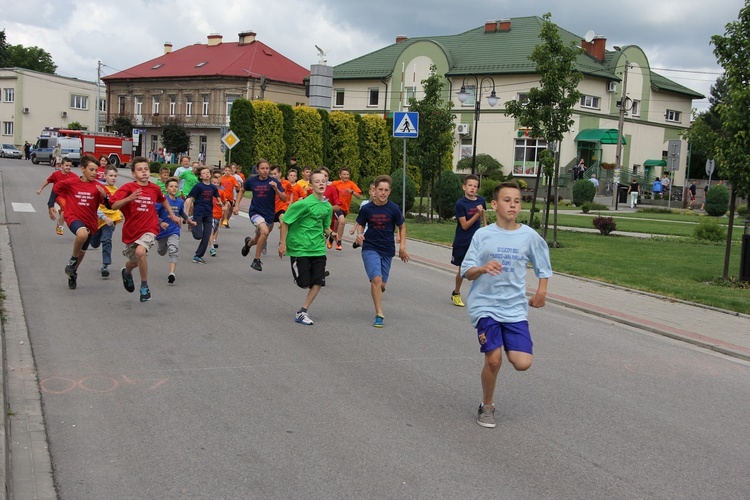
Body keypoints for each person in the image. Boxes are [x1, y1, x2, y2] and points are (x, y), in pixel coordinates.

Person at [460, 180, 552, 428]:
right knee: (494, 360)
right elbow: (466, 271)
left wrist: (541, 291)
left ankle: (510, 346)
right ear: (494, 204)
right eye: (507, 200)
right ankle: (487, 406)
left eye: (517, 200)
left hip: (514, 308)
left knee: (523, 363)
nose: (513, 204)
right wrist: (482, 268)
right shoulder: (483, 235)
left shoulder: (528, 236)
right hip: (485, 305)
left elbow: (543, 265)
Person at [109, 156, 181, 302]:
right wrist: (129, 198)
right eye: (140, 170)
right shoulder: (128, 188)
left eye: (146, 169)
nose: (144, 172)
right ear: (134, 174)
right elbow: (114, 205)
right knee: (134, 261)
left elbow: (163, 199)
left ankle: (144, 286)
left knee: (141, 251)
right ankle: (127, 272)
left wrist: (172, 215)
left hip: (150, 228)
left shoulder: (154, 188)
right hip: (132, 230)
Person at [278, 169, 333, 326]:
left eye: (323, 181)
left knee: (318, 282)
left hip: (318, 249)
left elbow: (325, 226)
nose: (321, 184)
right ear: (310, 185)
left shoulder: (327, 207)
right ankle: (307, 277)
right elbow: (286, 221)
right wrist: (283, 243)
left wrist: (332, 233)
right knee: (304, 283)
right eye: (317, 181)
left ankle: (302, 311)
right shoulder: (303, 204)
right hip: (299, 248)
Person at [354, 175, 409, 328]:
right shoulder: (366, 209)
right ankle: (379, 314)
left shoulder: (394, 209)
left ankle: (377, 288)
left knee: (382, 284)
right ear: (374, 191)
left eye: (386, 190)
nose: (383, 193)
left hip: (387, 249)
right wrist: (360, 234)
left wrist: (402, 247)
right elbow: (360, 223)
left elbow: (402, 226)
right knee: (376, 280)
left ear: (389, 191)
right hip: (370, 247)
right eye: (380, 190)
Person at [52, 155, 110, 290]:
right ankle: (72, 259)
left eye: (96, 170)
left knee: (82, 251)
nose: (95, 173)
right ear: (83, 169)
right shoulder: (71, 182)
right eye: (91, 170)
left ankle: (73, 272)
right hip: (73, 217)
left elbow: (109, 205)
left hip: (90, 221)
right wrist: (51, 204)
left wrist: (105, 197)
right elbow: (56, 190)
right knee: (82, 234)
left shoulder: (98, 186)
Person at [235, 159, 286, 272]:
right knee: (265, 232)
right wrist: (237, 205)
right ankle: (256, 260)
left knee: (258, 239)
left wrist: (276, 189)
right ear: (257, 169)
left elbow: (284, 198)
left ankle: (248, 244)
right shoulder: (252, 181)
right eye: (262, 168)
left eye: (267, 168)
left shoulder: (274, 182)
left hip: (269, 215)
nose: (265, 171)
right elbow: (242, 190)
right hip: (255, 213)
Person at [451, 174, 486, 307]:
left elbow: (483, 216)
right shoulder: (460, 204)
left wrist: (487, 231)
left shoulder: (481, 200)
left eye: (475, 186)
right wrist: (476, 213)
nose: (472, 188)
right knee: (463, 270)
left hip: (477, 241)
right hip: (463, 240)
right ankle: (456, 293)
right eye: (470, 185)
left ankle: (479, 295)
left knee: (479, 268)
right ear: (464, 187)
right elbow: (464, 225)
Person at [155, 177, 193, 284]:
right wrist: (161, 222)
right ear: (166, 188)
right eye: (171, 186)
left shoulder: (180, 201)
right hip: (162, 231)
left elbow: (181, 212)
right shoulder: (161, 201)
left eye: (176, 186)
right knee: (161, 251)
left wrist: (189, 220)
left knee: (173, 250)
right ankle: (164, 246)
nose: (174, 188)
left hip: (174, 230)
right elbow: (153, 214)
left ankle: (172, 273)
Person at [89, 165, 123, 278]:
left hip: (111, 220)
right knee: (94, 243)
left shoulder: (118, 191)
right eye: (111, 175)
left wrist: (121, 214)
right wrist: (104, 217)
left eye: (115, 176)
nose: (113, 178)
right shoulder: (100, 189)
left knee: (106, 240)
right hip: (98, 219)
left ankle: (105, 265)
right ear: (105, 176)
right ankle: (91, 237)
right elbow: (95, 207)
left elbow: (120, 205)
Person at [183, 166, 221, 264]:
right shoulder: (198, 186)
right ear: (200, 176)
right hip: (199, 212)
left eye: (208, 172)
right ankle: (192, 223)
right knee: (198, 236)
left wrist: (220, 202)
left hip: (208, 213)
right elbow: (191, 198)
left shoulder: (213, 187)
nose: (206, 174)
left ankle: (198, 256)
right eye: (204, 173)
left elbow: (217, 195)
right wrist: (187, 212)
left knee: (207, 235)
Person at [36, 157, 73, 235]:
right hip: (59, 196)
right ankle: (60, 226)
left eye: (70, 166)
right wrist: (40, 189)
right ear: (62, 165)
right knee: (64, 208)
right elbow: (48, 181)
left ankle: (61, 220)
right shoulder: (56, 174)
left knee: (66, 212)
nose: (68, 167)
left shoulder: (73, 176)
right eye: (66, 165)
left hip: (69, 197)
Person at [331, 167, 363, 250]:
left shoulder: (351, 184)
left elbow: (359, 196)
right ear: (340, 175)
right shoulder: (335, 183)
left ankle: (332, 236)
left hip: (345, 208)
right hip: (337, 206)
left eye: (347, 174)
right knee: (342, 221)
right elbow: (328, 190)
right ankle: (339, 242)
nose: (346, 176)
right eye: (344, 174)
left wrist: (352, 192)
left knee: (337, 224)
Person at [319, 167, 344, 251]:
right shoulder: (310, 190)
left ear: (328, 178)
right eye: (321, 175)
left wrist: (325, 208)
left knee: (320, 244)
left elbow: (337, 207)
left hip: (327, 224)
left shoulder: (332, 189)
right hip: (313, 223)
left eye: (325, 176)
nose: (323, 178)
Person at [209, 170, 230, 255]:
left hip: (218, 214)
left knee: (216, 229)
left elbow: (226, 202)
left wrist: (224, 207)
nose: (216, 184)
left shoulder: (221, 192)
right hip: (210, 214)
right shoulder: (208, 192)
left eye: (217, 183)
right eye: (214, 183)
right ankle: (212, 247)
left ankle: (214, 240)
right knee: (211, 229)